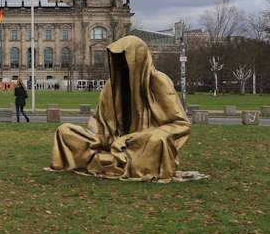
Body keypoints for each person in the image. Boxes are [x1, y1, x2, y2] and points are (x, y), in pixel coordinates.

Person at [48, 36, 201, 182]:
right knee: (64, 131)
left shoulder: (158, 81)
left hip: (140, 143)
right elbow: (97, 119)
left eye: (124, 60)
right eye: (117, 61)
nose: (120, 65)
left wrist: (131, 138)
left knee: (158, 140)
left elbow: (181, 124)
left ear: (138, 59)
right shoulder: (111, 85)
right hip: (110, 141)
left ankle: (105, 160)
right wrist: (99, 137)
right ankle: (113, 159)